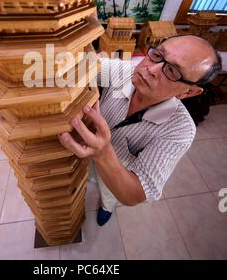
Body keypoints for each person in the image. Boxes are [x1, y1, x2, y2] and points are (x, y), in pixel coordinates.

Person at [59, 35, 222, 226]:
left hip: (118, 174)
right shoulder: (123, 71)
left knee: (109, 193)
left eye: (172, 71)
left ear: (188, 92)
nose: (151, 70)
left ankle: (106, 207)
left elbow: (135, 194)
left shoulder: (180, 130)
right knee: (86, 177)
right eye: (157, 55)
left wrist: (103, 153)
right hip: (87, 159)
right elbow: (83, 67)